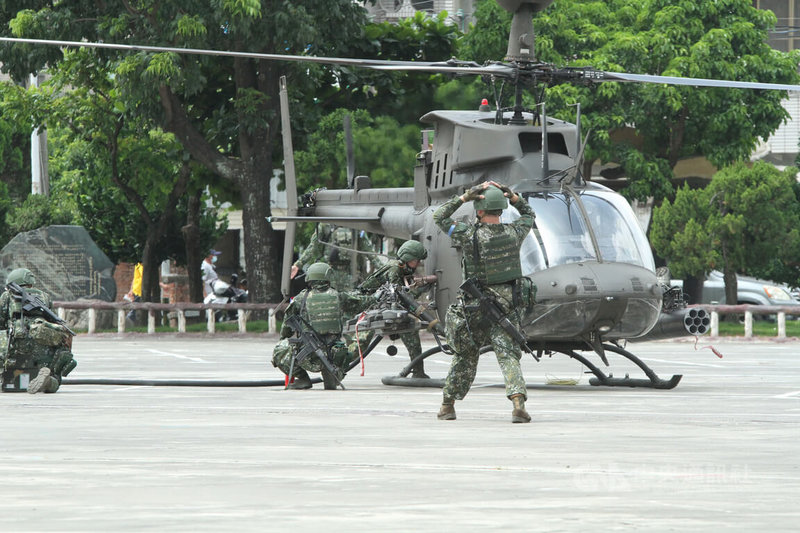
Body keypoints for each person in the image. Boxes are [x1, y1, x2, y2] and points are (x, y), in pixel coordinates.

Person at [433, 181, 536, 423]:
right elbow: (529, 214)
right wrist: (514, 198)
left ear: (479, 210)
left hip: (473, 305)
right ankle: (518, 403)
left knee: (465, 355)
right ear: (501, 209)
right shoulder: (516, 232)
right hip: (505, 306)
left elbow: (439, 216)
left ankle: (448, 405)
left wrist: (463, 198)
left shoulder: (468, 234)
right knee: (508, 354)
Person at [273, 262, 375, 389]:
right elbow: (363, 302)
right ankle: (335, 372)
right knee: (362, 336)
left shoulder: (300, 298)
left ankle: (303, 379)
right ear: (328, 277)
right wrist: (376, 295)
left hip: (308, 357)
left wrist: (284, 339)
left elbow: (286, 326)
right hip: (334, 355)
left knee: (279, 350)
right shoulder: (339, 296)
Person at [358, 240, 431, 379]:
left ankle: (418, 371)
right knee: (359, 345)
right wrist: (420, 290)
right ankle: (335, 368)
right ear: (408, 258)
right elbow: (399, 296)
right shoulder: (395, 269)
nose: (418, 264)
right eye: (416, 260)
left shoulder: (401, 269)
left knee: (411, 332)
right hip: (367, 306)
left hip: (379, 306)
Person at [0, 268, 77, 394]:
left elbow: (1, 323)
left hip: (16, 347)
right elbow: (53, 322)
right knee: (55, 378)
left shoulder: (7, 296)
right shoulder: (44, 296)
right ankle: (48, 381)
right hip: (42, 348)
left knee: (5, 381)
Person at [290, 224, 383, 290]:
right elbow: (370, 252)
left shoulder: (326, 225)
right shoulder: (355, 225)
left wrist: (298, 265)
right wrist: (385, 269)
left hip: (334, 275)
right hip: (349, 276)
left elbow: (312, 247)